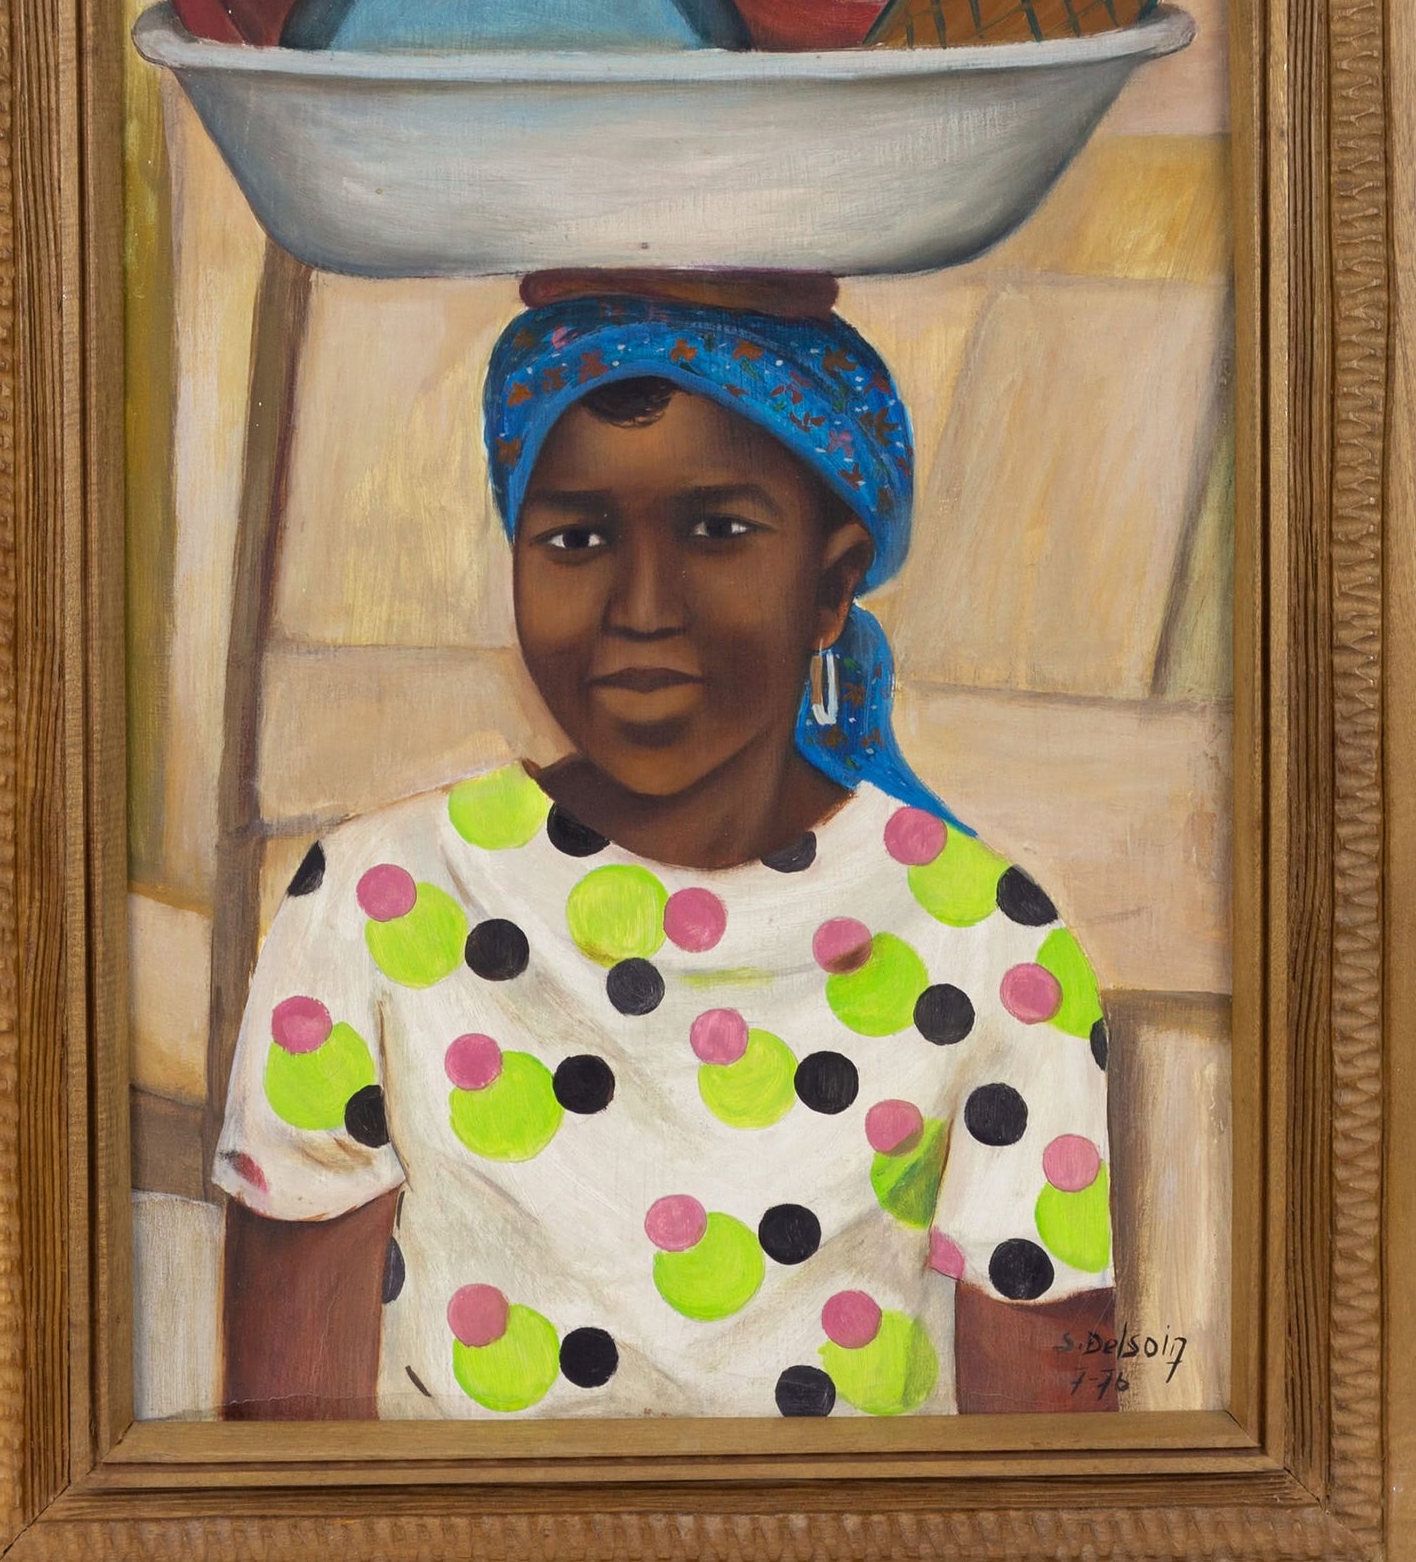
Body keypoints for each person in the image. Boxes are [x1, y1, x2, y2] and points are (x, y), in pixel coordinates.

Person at [217, 279, 1117, 1421]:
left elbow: (1049, 1457)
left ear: (831, 584)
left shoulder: (993, 943)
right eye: (575, 539)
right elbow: (285, 1440)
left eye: (717, 531)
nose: (641, 606)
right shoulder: (371, 900)